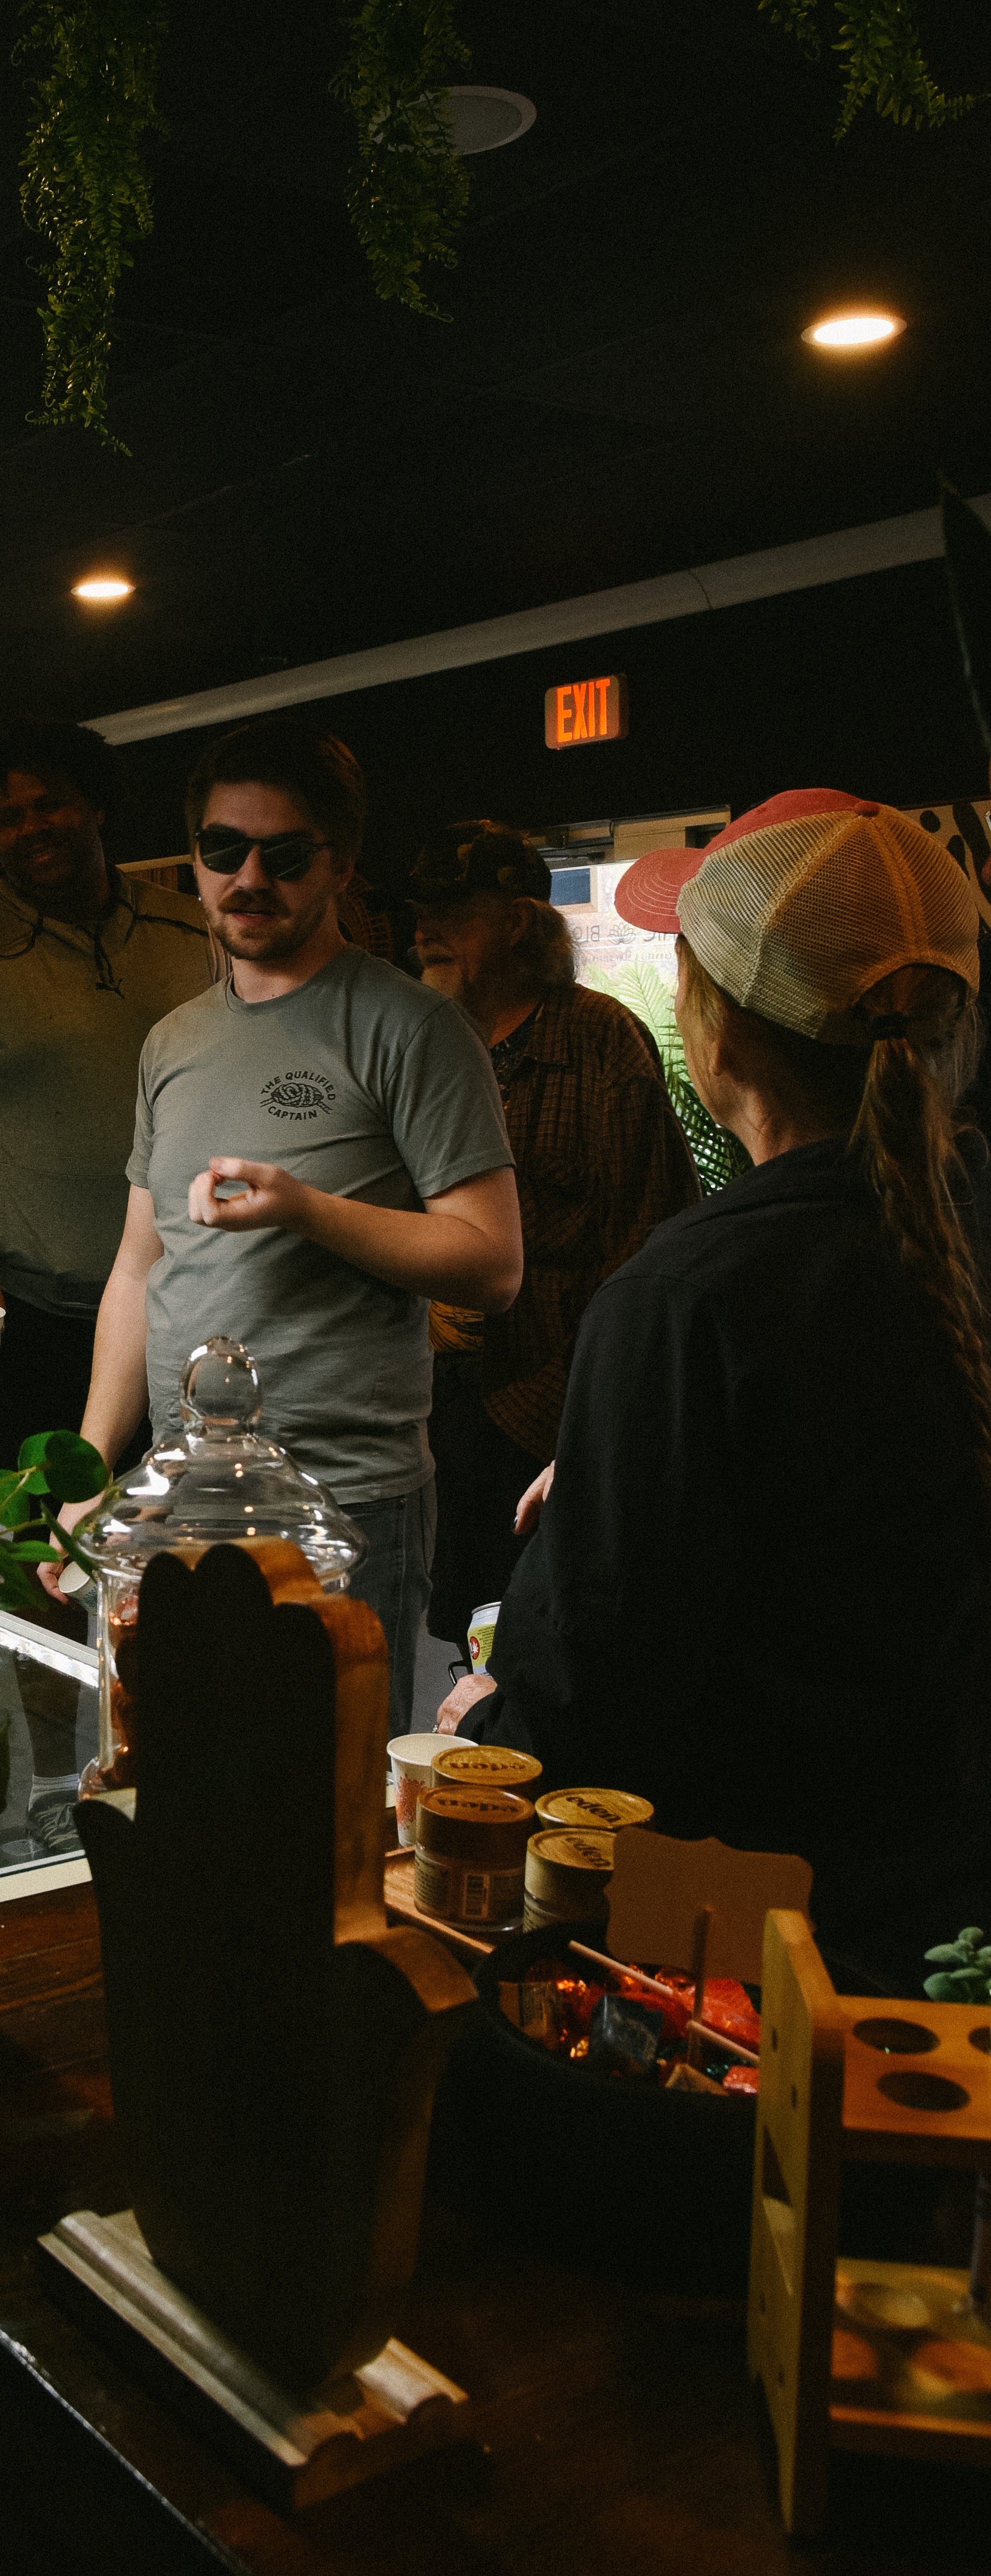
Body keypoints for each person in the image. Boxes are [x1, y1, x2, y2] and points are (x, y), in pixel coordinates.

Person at [443, 790, 991, 1990]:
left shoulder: (688, 1297)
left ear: (717, 1031)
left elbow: (588, 1720)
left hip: (773, 1961)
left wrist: (482, 1719)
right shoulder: (943, 1223)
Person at [55, 718, 522, 1731]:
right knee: (165, 1771)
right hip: (180, 1492)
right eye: (223, 849)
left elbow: (491, 1262)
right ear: (194, 859)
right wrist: (93, 1467)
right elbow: (138, 1266)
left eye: (286, 854)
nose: (249, 877)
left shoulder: (413, 1026)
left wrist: (306, 1209)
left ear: (340, 863)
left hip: (345, 1501)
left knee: (323, 1796)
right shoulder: (173, 1041)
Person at [0, 721, 216, 1469]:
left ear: (96, 805)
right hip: (36, 1332)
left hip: (196, 1311)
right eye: (9, 816)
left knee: (193, 1532)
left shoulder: (197, 936)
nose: (32, 828)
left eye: (50, 804)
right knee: (41, 1536)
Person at [409, 818, 698, 1664]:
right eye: (421, 911)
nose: (426, 929)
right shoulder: (422, 1042)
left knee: (540, 1636)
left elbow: (647, 1238)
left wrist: (590, 1409)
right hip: (430, 1403)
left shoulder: (599, 1038)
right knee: (455, 1627)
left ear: (516, 922)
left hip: (548, 1404)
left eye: (453, 911)